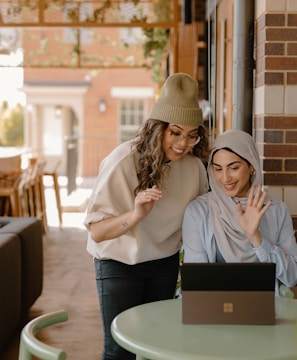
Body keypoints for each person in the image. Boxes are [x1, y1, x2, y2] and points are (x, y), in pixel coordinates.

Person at [83, 73, 210, 360]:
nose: (183, 143)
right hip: (119, 262)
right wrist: (136, 214)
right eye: (175, 132)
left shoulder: (193, 168)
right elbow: (97, 232)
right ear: (158, 129)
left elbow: (202, 219)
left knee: (156, 346)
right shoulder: (123, 161)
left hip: (163, 262)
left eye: (192, 135)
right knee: (119, 351)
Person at [182, 129, 297, 297]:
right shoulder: (198, 212)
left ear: (251, 166)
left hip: (264, 310)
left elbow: (292, 277)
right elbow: (196, 283)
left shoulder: (276, 210)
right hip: (214, 309)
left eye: (234, 168)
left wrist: (256, 238)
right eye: (218, 169)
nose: (225, 178)